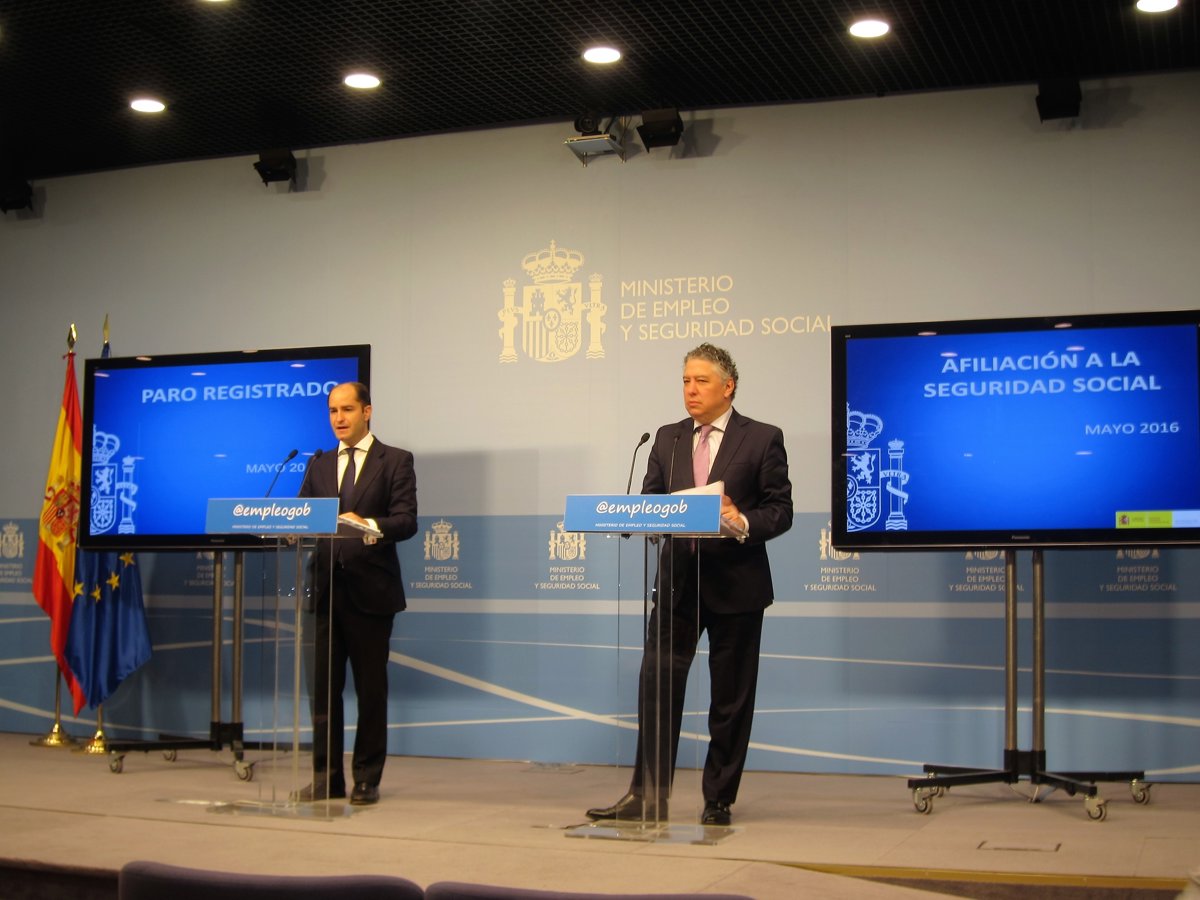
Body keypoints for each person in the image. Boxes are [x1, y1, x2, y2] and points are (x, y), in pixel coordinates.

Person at [586, 343, 792, 826]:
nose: (691, 390)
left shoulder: (762, 438)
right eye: (685, 381)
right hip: (678, 585)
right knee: (657, 689)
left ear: (728, 386)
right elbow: (651, 502)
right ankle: (646, 797)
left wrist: (740, 519)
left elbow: (780, 510)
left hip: (736, 586)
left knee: (730, 699)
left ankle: (718, 799)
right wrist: (647, 516)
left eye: (701, 381)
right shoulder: (667, 438)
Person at [293, 382, 418, 805]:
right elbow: (302, 515)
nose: (339, 418)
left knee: (370, 691)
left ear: (367, 411)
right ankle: (326, 778)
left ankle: (366, 778)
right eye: (332, 411)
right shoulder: (318, 463)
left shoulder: (395, 460)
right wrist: (291, 529)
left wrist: (370, 525)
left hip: (371, 592)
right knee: (322, 693)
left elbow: (406, 520)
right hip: (325, 591)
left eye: (347, 409)